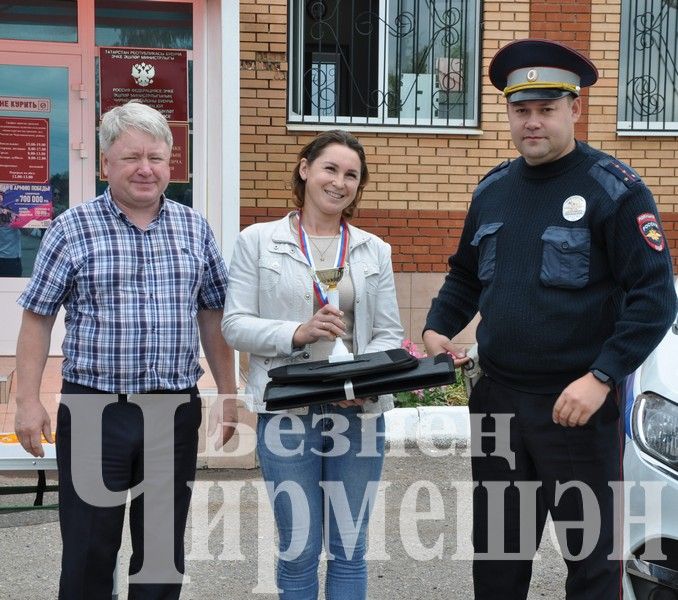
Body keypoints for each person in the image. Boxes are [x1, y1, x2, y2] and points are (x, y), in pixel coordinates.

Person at [423, 39, 677, 600]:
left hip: (576, 410)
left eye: (546, 108)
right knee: (498, 562)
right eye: (521, 110)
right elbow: (466, 275)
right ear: (509, 114)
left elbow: (654, 296)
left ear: (575, 109)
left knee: (591, 567)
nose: (532, 122)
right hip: (500, 404)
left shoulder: (615, 189)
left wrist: (602, 377)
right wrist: (439, 325)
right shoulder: (493, 190)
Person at [14, 100, 238, 600]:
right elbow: (37, 316)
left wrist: (228, 393)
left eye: (156, 158)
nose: (145, 169)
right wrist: (26, 399)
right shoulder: (71, 228)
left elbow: (213, 316)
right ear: (105, 164)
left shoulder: (194, 229)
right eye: (131, 157)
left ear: (171, 163)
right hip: (95, 409)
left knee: (161, 552)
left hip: (172, 411)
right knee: (90, 550)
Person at [221, 130, 403, 599]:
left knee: (349, 548)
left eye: (351, 175)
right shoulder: (257, 241)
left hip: (356, 415)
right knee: (298, 549)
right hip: (287, 413)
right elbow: (235, 324)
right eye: (330, 168)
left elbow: (387, 333)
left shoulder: (372, 250)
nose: (339, 182)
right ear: (305, 169)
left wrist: (370, 382)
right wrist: (295, 333)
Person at [0, 189, 22, 276]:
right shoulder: (15, 215)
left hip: (13, 259)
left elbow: (28, 231)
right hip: (12, 259)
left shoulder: (15, 215)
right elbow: (28, 232)